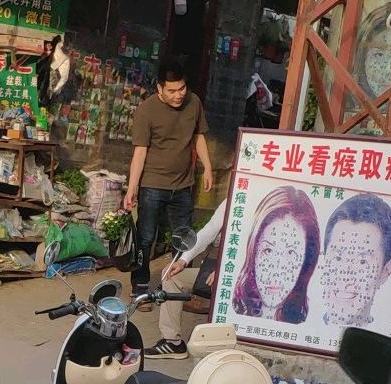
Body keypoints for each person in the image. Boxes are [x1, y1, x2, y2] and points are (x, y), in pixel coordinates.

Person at [125, 62, 213, 299]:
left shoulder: (194, 103)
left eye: (181, 88)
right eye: (172, 91)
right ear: (159, 89)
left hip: (183, 187)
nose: (178, 95)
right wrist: (132, 188)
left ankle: (172, 289)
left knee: (183, 240)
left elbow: (199, 137)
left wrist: (208, 167)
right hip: (152, 185)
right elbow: (140, 151)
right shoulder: (146, 110)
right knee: (145, 239)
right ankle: (140, 288)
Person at [151, 198, 227, 359]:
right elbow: (209, 231)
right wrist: (182, 260)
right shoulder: (235, 198)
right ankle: (172, 342)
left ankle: (224, 348)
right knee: (171, 276)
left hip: (244, 277)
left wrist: (226, 270)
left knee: (223, 285)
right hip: (218, 269)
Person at [232, 185, 319, 325]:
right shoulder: (234, 310)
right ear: (253, 252)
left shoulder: (311, 321)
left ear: (306, 259)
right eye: (268, 250)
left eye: (291, 253)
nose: (276, 270)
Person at [318, 191, 391, 333]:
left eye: (362, 262)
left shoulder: (385, 344)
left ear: (386, 272)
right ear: (324, 260)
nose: (346, 276)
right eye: (338, 258)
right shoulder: (300, 329)